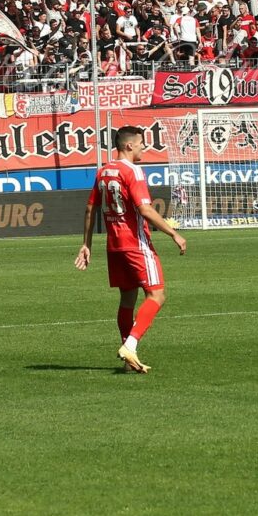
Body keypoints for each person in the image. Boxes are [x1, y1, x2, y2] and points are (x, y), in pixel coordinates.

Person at [74, 125, 187, 373]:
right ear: (128, 146)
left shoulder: (103, 171)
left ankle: (128, 361)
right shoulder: (133, 171)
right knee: (157, 295)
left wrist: (86, 244)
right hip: (136, 245)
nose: (144, 148)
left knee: (127, 299)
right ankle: (130, 345)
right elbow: (144, 210)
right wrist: (173, 233)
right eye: (141, 144)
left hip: (114, 247)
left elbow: (90, 209)